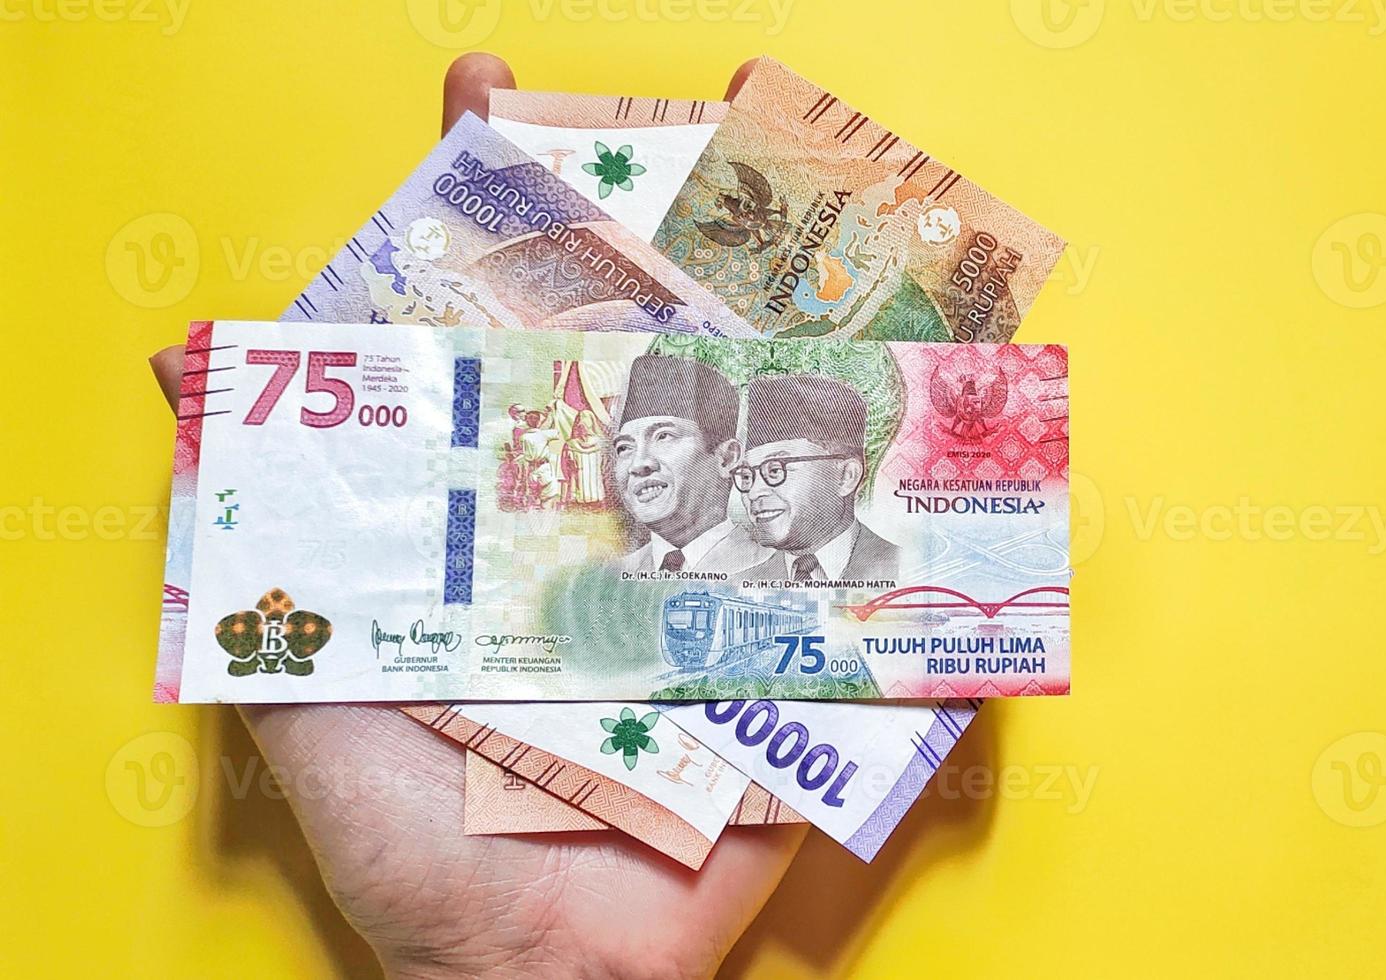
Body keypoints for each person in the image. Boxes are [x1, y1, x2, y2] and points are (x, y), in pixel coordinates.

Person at [147, 53, 805, 980]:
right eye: (623, 442)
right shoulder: (599, 575)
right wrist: (498, 955)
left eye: (664, 437)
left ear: (731, 456)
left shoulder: (780, 575)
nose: (638, 464)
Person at [611, 354, 770, 574]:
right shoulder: (609, 576)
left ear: (726, 458)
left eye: (663, 436)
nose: (638, 464)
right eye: (624, 448)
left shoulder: (773, 567)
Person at [734, 374, 900, 582]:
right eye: (747, 475)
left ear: (846, 476)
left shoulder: (907, 569)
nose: (753, 492)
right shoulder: (739, 583)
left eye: (775, 470)